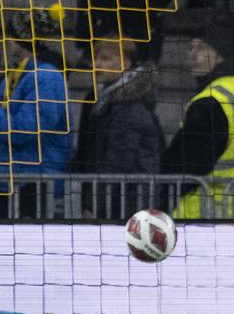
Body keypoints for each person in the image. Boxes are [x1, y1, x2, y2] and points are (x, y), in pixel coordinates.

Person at [0, 9, 72, 218]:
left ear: (19, 40)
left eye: (8, 36)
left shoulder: (45, 78)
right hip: (9, 181)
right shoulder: (17, 74)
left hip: (32, 183)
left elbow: (25, 130)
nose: (4, 42)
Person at [70, 35, 164, 219]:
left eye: (105, 58)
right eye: (95, 58)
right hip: (117, 202)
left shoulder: (129, 107)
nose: (97, 64)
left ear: (126, 63)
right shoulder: (108, 101)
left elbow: (118, 161)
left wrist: (92, 205)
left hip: (127, 205)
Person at [162, 17, 234, 218]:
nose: (192, 55)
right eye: (191, 48)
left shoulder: (212, 100)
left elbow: (182, 163)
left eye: (201, 48)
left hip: (205, 216)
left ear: (222, 54)